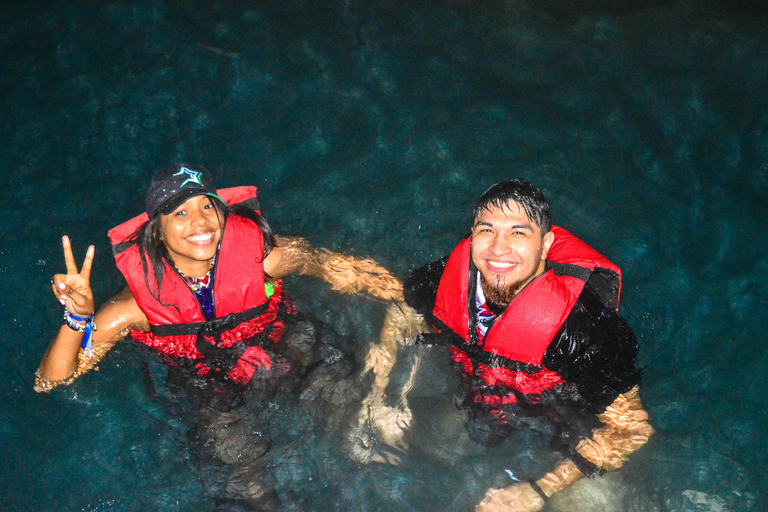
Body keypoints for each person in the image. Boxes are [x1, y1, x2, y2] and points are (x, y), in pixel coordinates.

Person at [36, 164, 403, 510]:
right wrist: (77, 318)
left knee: (359, 423)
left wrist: (407, 303)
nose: (199, 221)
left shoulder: (268, 259)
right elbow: (52, 380)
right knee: (244, 477)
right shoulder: (134, 309)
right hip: (207, 380)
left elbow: (346, 271)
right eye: (179, 213)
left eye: (207, 207)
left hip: (285, 343)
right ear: (156, 231)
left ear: (223, 214)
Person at [353, 179, 653, 512]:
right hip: (481, 401)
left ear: (545, 244)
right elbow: (402, 311)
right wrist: (383, 396)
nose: (498, 248)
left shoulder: (583, 332)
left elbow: (632, 429)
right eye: (487, 230)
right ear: (472, 235)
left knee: (594, 505)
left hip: (566, 421)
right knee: (378, 444)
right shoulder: (443, 280)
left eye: (518, 233)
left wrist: (538, 490)